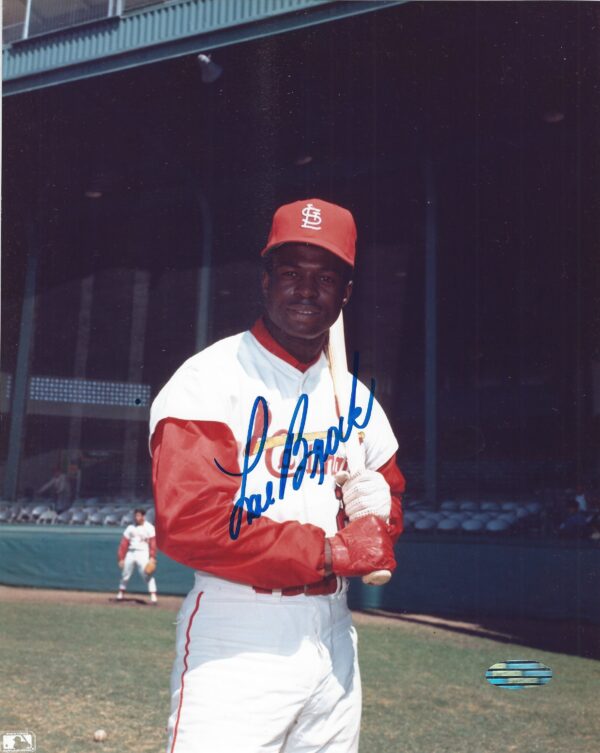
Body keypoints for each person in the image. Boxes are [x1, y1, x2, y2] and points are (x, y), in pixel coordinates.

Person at [150, 198, 405, 753]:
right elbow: (192, 523)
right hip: (239, 631)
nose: (307, 290)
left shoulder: (356, 401)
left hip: (335, 636)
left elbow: (388, 511)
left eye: (325, 277)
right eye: (291, 273)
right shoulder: (208, 381)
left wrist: (376, 511)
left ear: (346, 294)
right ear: (265, 281)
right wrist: (332, 551)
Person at [116, 508, 158, 603]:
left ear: (143, 516)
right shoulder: (130, 528)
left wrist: (152, 557)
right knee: (125, 574)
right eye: (136, 515)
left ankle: (153, 595)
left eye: (139, 515)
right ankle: (120, 593)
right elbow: (124, 543)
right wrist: (121, 558)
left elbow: (153, 543)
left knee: (147, 574)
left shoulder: (150, 527)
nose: (137, 517)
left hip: (143, 552)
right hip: (131, 552)